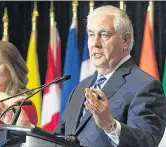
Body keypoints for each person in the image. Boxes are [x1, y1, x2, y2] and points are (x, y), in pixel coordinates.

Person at [55, 5, 166, 147]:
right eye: (91, 34)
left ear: (125, 40)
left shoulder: (145, 86)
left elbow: (147, 143)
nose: (95, 43)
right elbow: (59, 139)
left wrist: (110, 125)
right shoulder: (80, 88)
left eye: (104, 34)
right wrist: (30, 131)